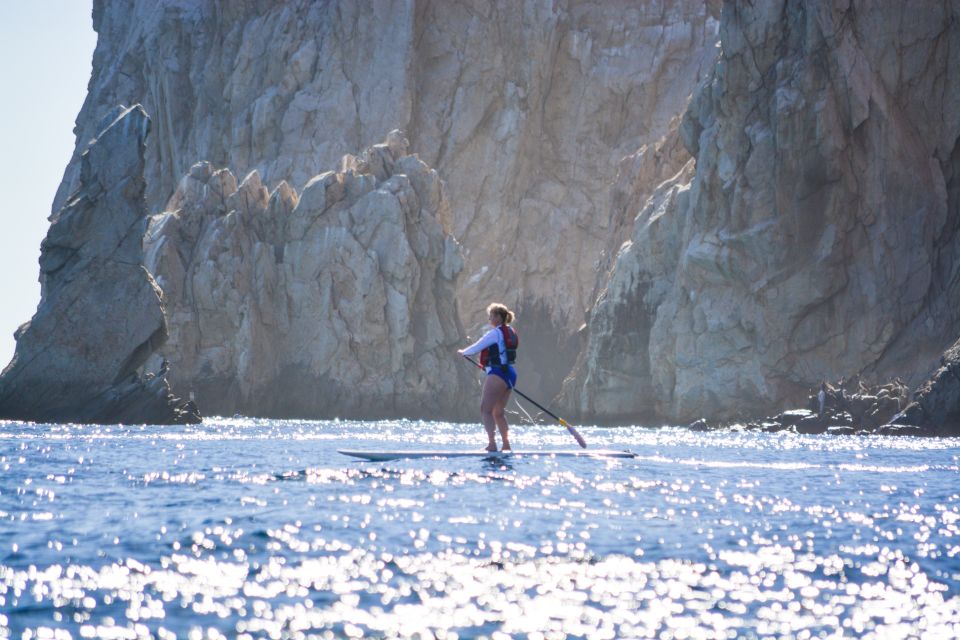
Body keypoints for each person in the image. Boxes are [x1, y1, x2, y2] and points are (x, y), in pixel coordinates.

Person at [458, 303, 519, 452]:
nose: (489, 319)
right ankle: (506, 445)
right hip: (510, 373)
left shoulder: (495, 333)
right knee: (498, 413)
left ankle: (492, 444)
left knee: (485, 410)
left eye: (491, 316)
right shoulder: (510, 331)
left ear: (498, 317)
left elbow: (477, 347)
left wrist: (462, 352)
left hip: (497, 374)